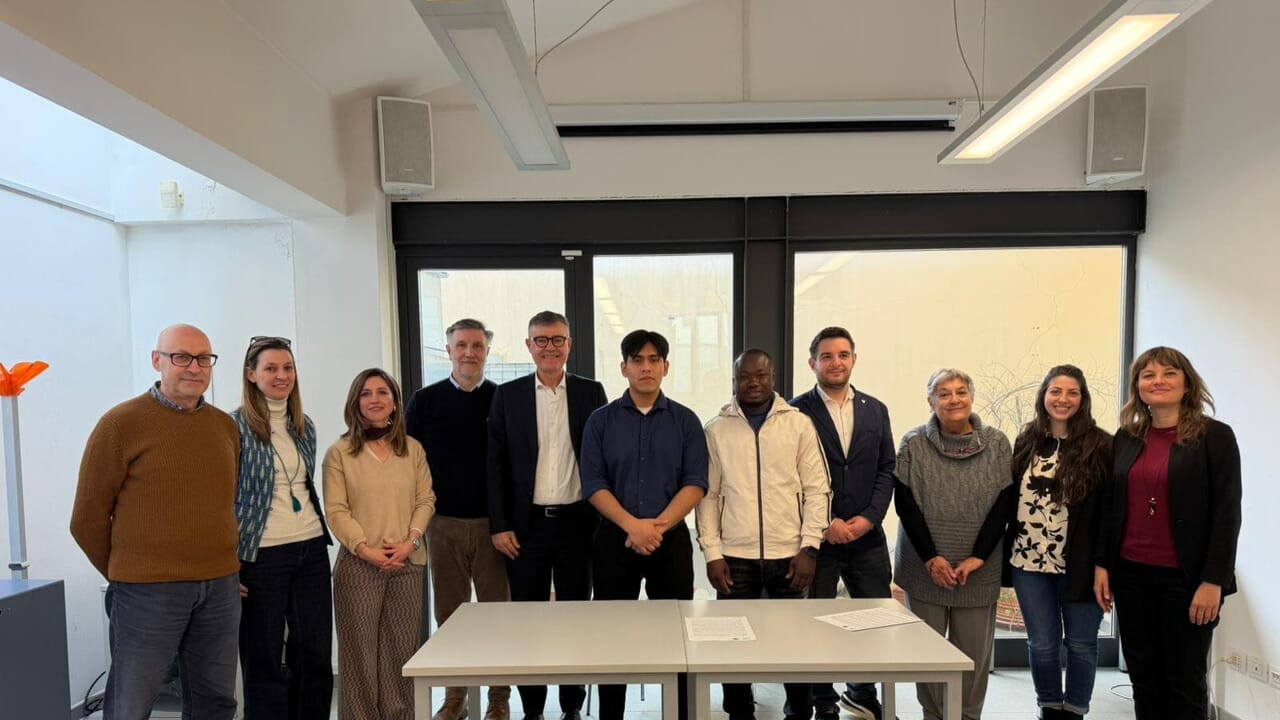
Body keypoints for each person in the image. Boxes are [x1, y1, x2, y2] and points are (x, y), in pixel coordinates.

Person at [70, 323, 241, 719]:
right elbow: (86, 518)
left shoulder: (225, 427)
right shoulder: (120, 424)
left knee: (216, 703)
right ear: (156, 361)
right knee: (131, 705)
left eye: (203, 358)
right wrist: (128, 572)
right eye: (181, 357)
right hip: (146, 592)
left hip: (219, 588)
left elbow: (222, 502)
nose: (194, 367)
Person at [1094, 347, 1241, 720]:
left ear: (1187, 383)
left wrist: (1214, 581)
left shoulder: (1214, 437)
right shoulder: (1126, 438)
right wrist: (1102, 565)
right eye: (1148, 375)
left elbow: (1227, 513)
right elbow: (1111, 507)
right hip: (1131, 575)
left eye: (1169, 373)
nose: (1158, 380)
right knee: (1144, 679)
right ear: (1138, 387)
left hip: (1188, 579)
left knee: (1185, 681)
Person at [581, 329, 709, 720]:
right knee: (612, 636)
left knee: (677, 635)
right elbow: (593, 483)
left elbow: (696, 482)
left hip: (670, 543)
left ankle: (680, 712)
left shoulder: (686, 421)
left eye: (654, 360)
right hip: (613, 541)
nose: (646, 367)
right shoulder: (601, 421)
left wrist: (655, 528)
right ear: (624, 368)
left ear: (666, 367)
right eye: (637, 360)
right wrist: (632, 527)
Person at [487, 311, 607, 720]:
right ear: (529, 345)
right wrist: (500, 525)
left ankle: (572, 706)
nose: (550, 347)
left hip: (578, 524)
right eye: (541, 340)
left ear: (569, 344)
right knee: (528, 621)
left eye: (557, 339)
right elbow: (495, 464)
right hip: (525, 528)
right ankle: (533, 709)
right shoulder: (508, 395)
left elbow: (603, 457)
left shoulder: (591, 392)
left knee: (575, 618)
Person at [698, 349, 829, 720]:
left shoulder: (799, 425)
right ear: (734, 381)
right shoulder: (716, 429)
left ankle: (799, 711)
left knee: (794, 644)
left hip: (790, 555)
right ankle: (739, 712)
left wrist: (810, 547)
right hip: (734, 557)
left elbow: (818, 490)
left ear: (773, 378)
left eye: (760, 375)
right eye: (744, 377)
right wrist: (712, 553)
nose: (752, 383)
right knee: (732, 644)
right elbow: (708, 496)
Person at [894, 368, 1014, 720]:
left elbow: (1004, 503)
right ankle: (933, 715)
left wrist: (978, 557)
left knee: (973, 656)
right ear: (930, 401)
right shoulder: (913, 443)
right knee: (927, 653)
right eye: (943, 393)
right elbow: (905, 503)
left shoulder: (997, 443)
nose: (954, 399)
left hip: (979, 567)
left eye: (961, 391)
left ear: (971, 397)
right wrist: (932, 558)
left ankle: (967, 716)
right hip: (925, 565)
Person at [790, 327, 896, 720]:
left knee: (875, 618)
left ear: (854, 359)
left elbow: (886, 467)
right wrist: (826, 522)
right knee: (815, 622)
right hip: (818, 539)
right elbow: (789, 478)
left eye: (843, 355)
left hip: (867, 537)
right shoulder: (794, 412)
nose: (836, 363)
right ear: (812, 362)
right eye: (827, 356)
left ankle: (862, 692)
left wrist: (869, 518)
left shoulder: (875, 409)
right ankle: (823, 700)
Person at [406, 319, 510, 720]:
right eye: (461, 345)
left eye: (477, 345)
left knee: (497, 616)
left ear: (487, 351)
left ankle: (498, 697)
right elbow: (410, 463)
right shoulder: (424, 401)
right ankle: (455, 697)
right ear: (448, 351)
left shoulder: (502, 399)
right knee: (449, 616)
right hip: (442, 524)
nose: (469, 352)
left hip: (492, 527)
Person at [324, 368, 436, 720]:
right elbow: (336, 510)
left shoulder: (412, 450)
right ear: (355, 403)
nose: (375, 399)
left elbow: (426, 499)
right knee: (360, 656)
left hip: (407, 563)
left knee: (401, 653)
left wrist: (411, 541)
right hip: (359, 566)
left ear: (395, 402)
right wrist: (364, 549)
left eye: (383, 392)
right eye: (366, 393)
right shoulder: (340, 453)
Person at [232, 335, 334, 719]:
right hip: (260, 556)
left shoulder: (304, 426)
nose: (282, 376)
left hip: (311, 548)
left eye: (288, 368)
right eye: (271, 368)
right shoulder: (233, 427)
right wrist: (227, 563)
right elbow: (222, 499)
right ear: (251, 374)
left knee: (315, 655)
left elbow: (303, 485)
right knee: (264, 657)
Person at [1004, 366, 1111, 720]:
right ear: (1044, 396)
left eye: (1072, 392)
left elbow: (1109, 512)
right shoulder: (1027, 440)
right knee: (1042, 644)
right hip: (1028, 561)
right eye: (1055, 391)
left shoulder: (1101, 445)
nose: (1063, 399)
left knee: (1081, 644)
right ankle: (1049, 707)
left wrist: (1104, 565)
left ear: (1083, 399)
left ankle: (1075, 711)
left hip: (1081, 564)